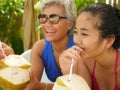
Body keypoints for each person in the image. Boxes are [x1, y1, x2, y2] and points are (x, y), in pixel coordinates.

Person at [59, 3, 120, 90]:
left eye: (84, 34)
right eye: (76, 32)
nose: (76, 40)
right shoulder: (84, 61)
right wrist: (68, 73)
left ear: (108, 41)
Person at [24, 0, 77, 90]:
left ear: (70, 24)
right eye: (43, 18)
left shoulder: (79, 47)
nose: (47, 24)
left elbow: (81, 87)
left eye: (54, 18)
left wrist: (43, 86)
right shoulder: (40, 48)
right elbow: (31, 85)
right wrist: (10, 61)